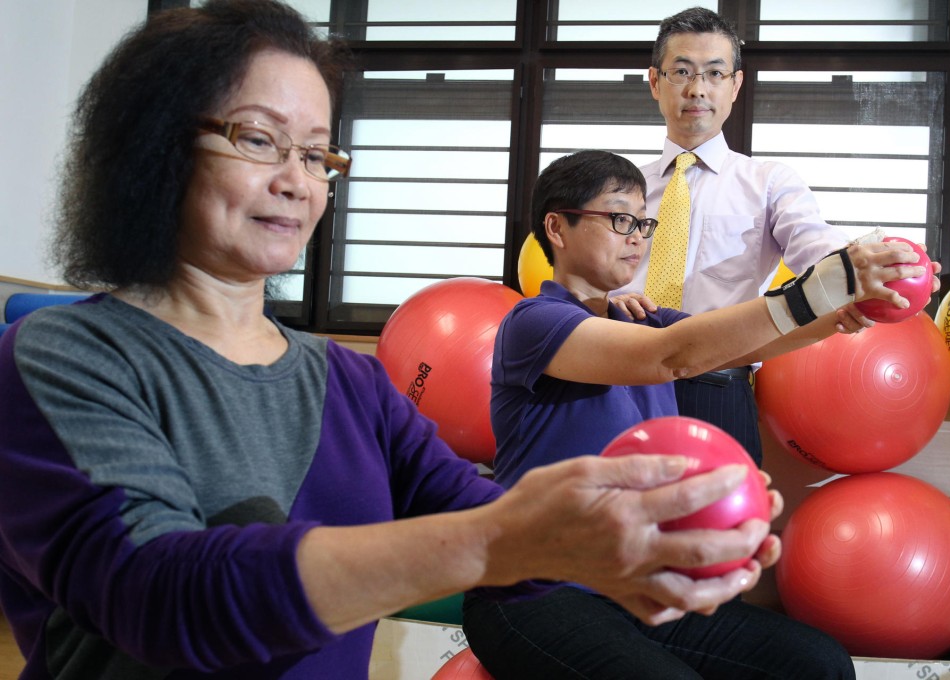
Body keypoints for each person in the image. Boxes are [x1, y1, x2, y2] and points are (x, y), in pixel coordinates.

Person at [0, 3, 787, 679]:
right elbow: (161, 596)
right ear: (157, 147)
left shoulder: (346, 380)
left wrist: (629, 543)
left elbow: (493, 518)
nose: (296, 180)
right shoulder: (62, 357)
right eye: (258, 139)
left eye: (316, 154)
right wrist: (502, 538)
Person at [463, 149, 933, 678]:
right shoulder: (534, 321)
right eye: (620, 219)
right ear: (557, 227)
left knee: (819, 665)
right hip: (534, 589)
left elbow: (734, 350)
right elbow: (671, 357)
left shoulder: (646, 321)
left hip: (638, 589)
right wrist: (817, 290)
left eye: (643, 221)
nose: (638, 236)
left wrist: (853, 305)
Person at [612, 7, 869, 466]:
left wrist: (860, 266)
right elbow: (585, 273)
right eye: (682, 72)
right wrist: (607, 301)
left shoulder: (769, 181)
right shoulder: (620, 185)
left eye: (714, 73)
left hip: (715, 389)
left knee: (720, 534)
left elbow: (816, 244)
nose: (697, 89)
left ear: (735, 85)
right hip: (615, 379)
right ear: (654, 81)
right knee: (611, 532)